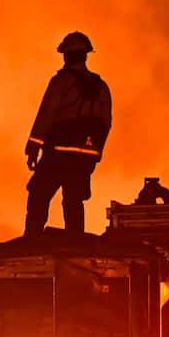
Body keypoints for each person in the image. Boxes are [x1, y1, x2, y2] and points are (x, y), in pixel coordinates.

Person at [24, 31, 113, 236]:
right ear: (85, 55)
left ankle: (31, 241)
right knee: (74, 199)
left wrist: (33, 147)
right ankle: (75, 242)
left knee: (39, 194)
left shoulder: (61, 82)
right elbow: (106, 123)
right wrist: (95, 153)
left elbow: (46, 114)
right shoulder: (102, 87)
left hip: (59, 153)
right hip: (85, 157)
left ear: (65, 55)